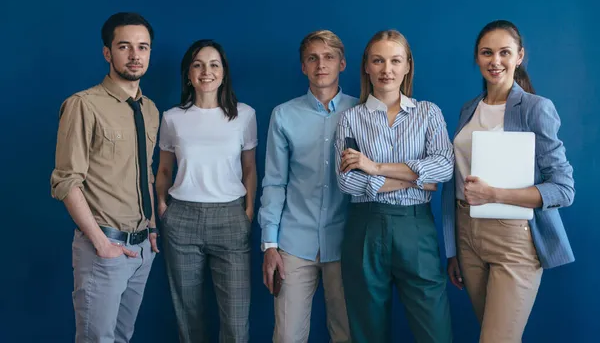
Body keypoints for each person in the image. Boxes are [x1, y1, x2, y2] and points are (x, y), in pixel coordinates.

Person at [443, 20, 575, 342]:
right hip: (467, 235)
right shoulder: (468, 109)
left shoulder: (535, 108)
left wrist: (494, 194)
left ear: (519, 56)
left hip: (514, 238)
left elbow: (563, 188)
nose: (495, 61)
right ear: (477, 58)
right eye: (487, 53)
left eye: (504, 52)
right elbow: (453, 179)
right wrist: (452, 249)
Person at [336, 30, 453, 343]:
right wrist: (417, 177)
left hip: (416, 228)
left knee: (435, 331)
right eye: (378, 60)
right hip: (365, 228)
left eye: (395, 60)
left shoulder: (428, 112)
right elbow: (347, 180)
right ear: (367, 67)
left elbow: (443, 166)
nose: (386, 69)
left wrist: (374, 168)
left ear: (407, 67)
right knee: (367, 331)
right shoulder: (350, 119)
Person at [50, 12, 159, 343]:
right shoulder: (84, 105)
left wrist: (152, 229)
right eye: (124, 46)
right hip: (104, 249)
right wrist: (101, 244)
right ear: (107, 52)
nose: (135, 55)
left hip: (142, 250)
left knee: (122, 337)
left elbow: (147, 174)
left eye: (143, 47)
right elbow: (67, 181)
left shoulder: (151, 110)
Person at [156, 39, 257, 343]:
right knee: (189, 317)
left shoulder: (245, 115)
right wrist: (162, 207)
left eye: (214, 64)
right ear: (188, 74)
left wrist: (249, 211)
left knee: (236, 320)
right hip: (182, 218)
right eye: (198, 65)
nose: (206, 71)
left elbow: (250, 168)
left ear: (223, 72)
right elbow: (163, 170)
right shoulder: (172, 117)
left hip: (230, 216)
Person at [258, 30, 356, 343]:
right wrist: (269, 245)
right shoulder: (284, 115)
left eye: (328, 57)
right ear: (303, 66)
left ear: (342, 63)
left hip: (346, 242)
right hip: (294, 244)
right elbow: (274, 181)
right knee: (287, 337)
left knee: (347, 334)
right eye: (312, 58)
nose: (320, 65)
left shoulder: (362, 112)